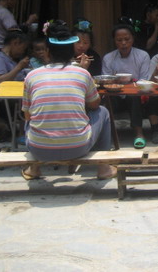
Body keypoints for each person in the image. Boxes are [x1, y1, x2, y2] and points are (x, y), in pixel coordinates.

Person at [20, 21, 116, 181]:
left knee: (28, 118)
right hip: (78, 148)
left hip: (39, 150)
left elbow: (28, 116)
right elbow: (94, 105)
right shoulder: (82, 73)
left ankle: (34, 168)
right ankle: (103, 168)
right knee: (103, 112)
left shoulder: (32, 76)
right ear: (71, 51)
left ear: (48, 52)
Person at [102, 22, 150, 149]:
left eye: (127, 39)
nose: (123, 43)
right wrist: (114, 81)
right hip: (115, 93)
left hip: (134, 93)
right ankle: (108, 135)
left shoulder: (142, 56)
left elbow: (144, 79)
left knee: (134, 96)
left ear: (133, 39)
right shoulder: (108, 58)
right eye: (119, 40)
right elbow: (106, 80)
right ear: (114, 41)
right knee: (106, 99)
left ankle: (139, 133)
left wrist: (131, 83)